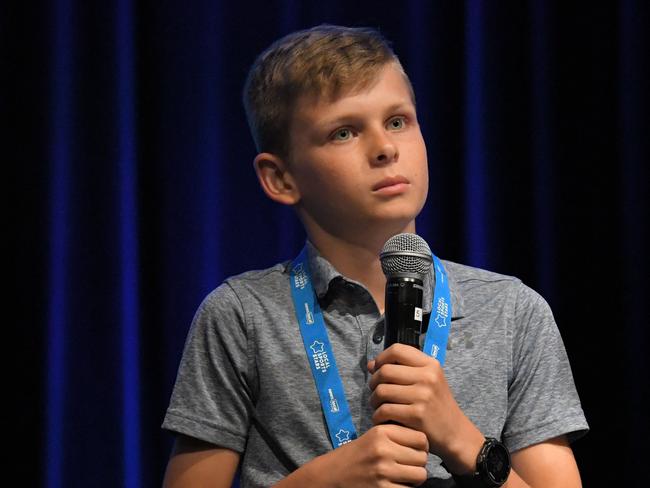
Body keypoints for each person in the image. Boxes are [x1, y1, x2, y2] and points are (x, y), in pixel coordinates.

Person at [161, 25, 588, 487]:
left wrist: (467, 443)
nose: (385, 148)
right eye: (344, 132)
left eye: (398, 121)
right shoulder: (242, 316)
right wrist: (325, 480)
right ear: (281, 178)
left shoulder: (512, 312)